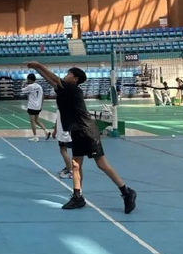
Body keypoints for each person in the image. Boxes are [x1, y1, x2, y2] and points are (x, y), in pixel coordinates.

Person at [26, 62, 136, 213]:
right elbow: (51, 80)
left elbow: (54, 78)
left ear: (75, 79)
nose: (66, 75)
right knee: (76, 165)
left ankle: (126, 192)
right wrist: (36, 69)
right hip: (76, 131)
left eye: (69, 74)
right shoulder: (64, 89)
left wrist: (38, 65)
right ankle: (77, 197)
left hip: (87, 131)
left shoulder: (73, 89)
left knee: (101, 164)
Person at [20, 73, 50, 142]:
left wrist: (24, 83)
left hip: (32, 106)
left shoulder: (30, 86)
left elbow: (22, 90)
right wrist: (41, 105)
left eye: (28, 79)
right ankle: (46, 131)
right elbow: (42, 96)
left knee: (32, 122)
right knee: (37, 120)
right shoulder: (39, 86)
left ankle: (35, 136)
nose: (27, 81)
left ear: (30, 80)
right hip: (38, 106)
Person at [52, 111, 73, 179]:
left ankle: (70, 171)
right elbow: (57, 118)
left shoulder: (66, 108)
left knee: (63, 150)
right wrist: (55, 130)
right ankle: (68, 167)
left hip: (64, 133)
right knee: (63, 150)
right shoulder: (60, 108)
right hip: (61, 132)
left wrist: (68, 132)